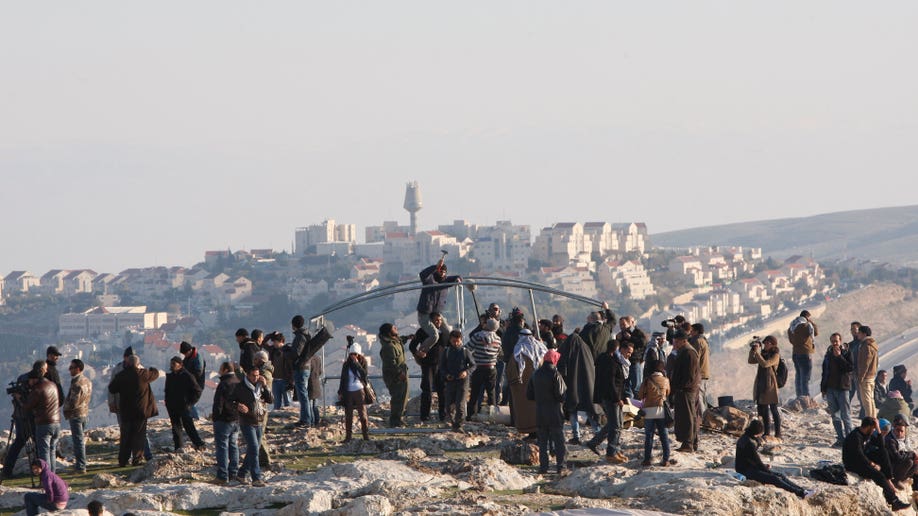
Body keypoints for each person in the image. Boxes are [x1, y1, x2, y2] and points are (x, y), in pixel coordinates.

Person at [843, 417, 909, 510]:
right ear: (868, 427)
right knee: (879, 475)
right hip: (853, 464)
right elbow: (859, 455)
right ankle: (894, 501)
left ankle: (889, 478)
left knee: (883, 453)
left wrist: (878, 430)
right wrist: (872, 464)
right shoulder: (855, 437)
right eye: (873, 428)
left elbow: (881, 445)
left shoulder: (866, 434)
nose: (873, 430)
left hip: (863, 458)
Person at [735, 420, 814, 499]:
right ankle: (801, 493)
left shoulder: (747, 437)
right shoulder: (749, 443)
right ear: (756, 432)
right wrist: (767, 470)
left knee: (781, 475)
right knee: (775, 478)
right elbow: (757, 461)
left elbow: (750, 459)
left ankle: (803, 490)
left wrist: (764, 467)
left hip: (750, 467)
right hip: (745, 471)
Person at [108, 354, 160, 467]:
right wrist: (151, 368)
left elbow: (112, 388)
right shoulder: (144, 374)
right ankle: (137, 459)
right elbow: (156, 374)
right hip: (141, 411)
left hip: (126, 411)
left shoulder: (121, 376)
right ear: (138, 364)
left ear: (127, 363)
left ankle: (123, 460)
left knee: (125, 436)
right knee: (139, 435)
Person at [588, 340, 632, 463]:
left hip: (610, 396)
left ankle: (606, 447)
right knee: (616, 425)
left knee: (616, 424)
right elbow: (611, 383)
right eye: (627, 352)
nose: (628, 355)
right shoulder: (610, 362)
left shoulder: (607, 360)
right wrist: (618, 399)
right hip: (611, 398)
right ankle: (611, 452)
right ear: (617, 349)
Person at [526, 349, 567, 474]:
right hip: (554, 412)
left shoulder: (535, 374)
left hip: (540, 412)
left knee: (543, 442)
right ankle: (561, 466)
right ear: (554, 360)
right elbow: (561, 395)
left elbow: (529, 395)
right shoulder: (555, 374)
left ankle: (543, 467)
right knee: (559, 442)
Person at [231, 365, 273, 487]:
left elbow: (270, 400)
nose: (256, 378)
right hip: (247, 422)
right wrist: (237, 406)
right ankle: (256, 478)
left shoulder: (261, 386)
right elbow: (229, 401)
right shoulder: (240, 387)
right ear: (248, 375)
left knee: (253, 450)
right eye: (253, 376)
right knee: (254, 448)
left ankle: (241, 474)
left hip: (259, 421)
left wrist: (265, 386)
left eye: (257, 375)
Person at [557, 330, 600, 445]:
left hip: (572, 385)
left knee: (573, 410)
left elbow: (561, 367)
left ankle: (577, 436)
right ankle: (598, 433)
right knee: (589, 409)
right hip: (587, 386)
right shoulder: (585, 350)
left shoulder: (567, 349)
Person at [290, 315, 332, 427]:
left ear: (294, 325)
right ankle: (310, 420)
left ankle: (306, 420)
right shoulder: (307, 334)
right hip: (306, 366)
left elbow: (296, 353)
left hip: (301, 367)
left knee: (302, 395)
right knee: (305, 395)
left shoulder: (300, 336)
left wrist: (287, 351)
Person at [3, 362, 43, 478]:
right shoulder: (33, 382)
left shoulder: (22, 378)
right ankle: (40, 469)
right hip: (27, 416)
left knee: (18, 443)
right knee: (36, 441)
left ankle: (7, 471)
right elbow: (27, 403)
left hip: (20, 416)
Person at [22, 361, 61, 473]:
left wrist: (20, 399)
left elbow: (27, 407)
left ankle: (46, 478)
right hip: (56, 422)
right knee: (52, 451)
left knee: (44, 452)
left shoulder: (38, 389)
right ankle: (53, 477)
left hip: (44, 423)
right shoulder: (52, 385)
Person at [416, 256, 461, 353]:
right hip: (425, 313)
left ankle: (443, 349)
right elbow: (422, 274)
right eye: (440, 271)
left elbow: (454, 278)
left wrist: (458, 279)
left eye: (444, 272)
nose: (442, 273)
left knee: (448, 332)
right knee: (434, 335)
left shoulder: (444, 281)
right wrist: (435, 267)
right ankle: (422, 351)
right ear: (436, 271)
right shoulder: (429, 280)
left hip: (436, 313)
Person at [409, 313, 447, 422]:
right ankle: (425, 416)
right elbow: (412, 346)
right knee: (427, 390)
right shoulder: (422, 331)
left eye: (440, 320)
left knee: (442, 391)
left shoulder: (444, 332)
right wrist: (418, 353)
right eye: (436, 320)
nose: (438, 322)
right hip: (427, 365)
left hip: (441, 366)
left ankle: (443, 416)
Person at [509, 328, 547, 439]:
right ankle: (538, 432)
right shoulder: (541, 349)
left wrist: (514, 381)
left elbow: (512, 370)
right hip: (539, 385)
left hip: (523, 388)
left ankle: (532, 433)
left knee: (527, 410)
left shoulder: (519, 350)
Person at [163, 356, 205, 452]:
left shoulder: (187, 376)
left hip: (184, 406)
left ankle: (199, 444)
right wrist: (167, 402)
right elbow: (167, 391)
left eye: (174, 364)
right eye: (171, 364)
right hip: (172, 406)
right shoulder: (170, 376)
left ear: (180, 365)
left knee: (189, 426)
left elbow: (197, 391)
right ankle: (178, 448)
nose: (172, 366)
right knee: (176, 428)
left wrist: (190, 403)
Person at [820, 332, 854, 447]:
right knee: (835, 415)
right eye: (833, 341)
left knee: (846, 415)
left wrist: (839, 357)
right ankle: (840, 438)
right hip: (830, 388)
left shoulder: (846, 353)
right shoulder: (828, 355)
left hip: (843, 388)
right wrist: (823, 388)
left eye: (836, 341)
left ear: (840, 341)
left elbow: (849, 368)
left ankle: (850, 439)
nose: (835, 343)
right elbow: (825, 372)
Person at [637, 359, 673, 467]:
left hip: (649, 411)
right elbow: (668, 393)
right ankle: (666, 459)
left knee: (649, 436)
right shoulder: (666, 380)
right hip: (661, 411)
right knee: (664, 436)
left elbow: (640, 395)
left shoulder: (648, 380)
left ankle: (647, 460)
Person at [670, 330, 701, 452]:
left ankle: (688, 443)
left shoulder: (689, 353)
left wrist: (682, 387)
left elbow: (690, 375)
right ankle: (691, 442)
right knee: (688, 415)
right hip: (684, 389)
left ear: (684, 341)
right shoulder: (683, 352)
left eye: (677, 341)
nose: (675, 344)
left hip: (687, 390)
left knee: (688, 416)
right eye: (674, 341)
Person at [211, 361, 241, 485]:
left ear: (224, 369)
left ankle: (222, 476)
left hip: (224, 420)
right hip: (237, 419)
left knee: (222, 447)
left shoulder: (224, 383)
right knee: (233, 446)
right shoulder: (238, 382)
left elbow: (219, 403)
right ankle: (233, 473)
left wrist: (215, 417)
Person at [466, 317, 501, 420]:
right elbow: (498, 353)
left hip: (479, 368)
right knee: (491, 393)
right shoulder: (498, 339)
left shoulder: (477, 336)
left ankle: (471, 415)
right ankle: (493, 416)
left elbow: (468, 348)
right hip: (491, 368)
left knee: (475, 393)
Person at [439, 329, 474, 431]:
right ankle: (451, 422)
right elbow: (442, 366)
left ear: (461, 340)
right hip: (451, 381)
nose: (456, 343)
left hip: (463, 381)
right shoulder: (447, 351)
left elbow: (473, 365)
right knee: (449, 404)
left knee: (460, 404)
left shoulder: (465, 351)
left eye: (458, 341)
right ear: (450, 340)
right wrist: (446, 375)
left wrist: (466, 372)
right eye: (454, 341)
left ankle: (459, 425)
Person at [749, 336, 782, 440]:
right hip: (761, 384)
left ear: (773, 344)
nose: (766, 345)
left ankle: (778, 433)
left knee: (773, 409)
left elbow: (765, 364)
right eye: (765, 343)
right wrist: (753, 350)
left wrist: (757, 353)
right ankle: (766, 432)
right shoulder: (763, 353)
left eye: (768, 343)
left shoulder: (775, 355)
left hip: (770, 385)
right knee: (763, 410)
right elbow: (750, 360)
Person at [63, 359, 92, 474]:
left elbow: (73, 402)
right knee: (80, 440)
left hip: (75, 414)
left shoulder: (76, 383)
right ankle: (81, 464)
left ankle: (80, 466)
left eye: (72, 367)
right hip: (85, 412)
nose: (69, 370)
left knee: (78, 441)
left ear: (78, 369)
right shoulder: (87, 381)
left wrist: (65, 408)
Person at [338, 342, 371, 442]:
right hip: (348, 391)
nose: (353, 356)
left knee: (363, 414)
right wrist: (340, 391)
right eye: (352, 354)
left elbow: (364, 374)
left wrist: (357, 364)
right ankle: (348, 437)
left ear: (359, 355)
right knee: (348, 415)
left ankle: (365, 435)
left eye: (355, 354)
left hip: (359, 390)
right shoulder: (346, 365)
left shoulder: (363, 362)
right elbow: (343, 378)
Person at [379, 322, 410, 427]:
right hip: (395, 376)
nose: (396, 328)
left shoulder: (395, 341)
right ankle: (395, 421)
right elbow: (390, 364)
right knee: (398, 397)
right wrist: (399, 373)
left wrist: (408, 337)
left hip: (401, 373)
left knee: (403, 397)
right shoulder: (388, 347)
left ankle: (399, 418)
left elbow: (401, 341)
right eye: (393, 328)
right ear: (389, 332)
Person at [787, 310, 818, 399]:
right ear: (807, 317)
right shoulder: (806, 326)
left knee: (799, 375)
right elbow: (815, 333)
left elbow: (791, 340)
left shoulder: (791, 326)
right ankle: (805, 397)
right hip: (805, 353)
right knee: (805, 377)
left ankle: (799, 396)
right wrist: (812, 322)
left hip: (795, 353)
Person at [885, 414, 918, 491]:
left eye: (901, 431)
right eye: (897, 430)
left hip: (899, 464)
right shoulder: (890, 440)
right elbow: (897, 458)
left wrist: (914, 455)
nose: (899, 433)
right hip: (890, 466)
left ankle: (901, 479)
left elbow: (908, 449)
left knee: (915, 463)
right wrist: (912, 455)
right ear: (894, 429)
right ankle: (895, 480)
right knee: (909, 462)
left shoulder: (904, 438)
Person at [253, 350, 276, 464]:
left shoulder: (265, 374)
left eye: (255, 360)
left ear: (260, 360)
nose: (253, 362)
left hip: (261, 406)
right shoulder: (265, 371)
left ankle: (264, 460)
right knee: (259, 434)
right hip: (261, 405)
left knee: (259, 434)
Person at [856, 325, 879, 418]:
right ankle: (873, 418)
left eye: (859, 333)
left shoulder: (866, 345)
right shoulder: (873, 344)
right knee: (871, 399)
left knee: (866, 401)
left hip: (866, 377)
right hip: (871, 376)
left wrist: (861, 377)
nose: (858, 335)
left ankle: (869, 419)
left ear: (864, 334)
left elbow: (865, 363)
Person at [179, 341, 206, 420]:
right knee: (187, 402)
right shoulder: (188, 357)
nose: (184, 355)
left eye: (185, 353)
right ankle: (192, 417)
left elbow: (198, 372)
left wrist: (188, 376)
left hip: (197, 385)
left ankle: (194, 418)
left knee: (190, 402)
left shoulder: (198, 357)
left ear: (189, 350)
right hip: (190, 384)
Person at [688, 323, 710, 408]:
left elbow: (695, 358)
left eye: (692, 331)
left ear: (696, 331)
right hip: (704, 373)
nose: (690, 333)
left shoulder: (697, 341)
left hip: (699, 374)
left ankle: (703, 418)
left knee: (699, 398)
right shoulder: (703, 340)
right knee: (702, 398)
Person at [268, 333, 292, 410]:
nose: (274, 343)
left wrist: (291, 381)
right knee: (276, 403)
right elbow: (262, 343)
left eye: (275, 341)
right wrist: (272, 334)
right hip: (275, 380)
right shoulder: (273, 350)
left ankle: (288, 418)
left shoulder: (288, 350)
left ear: (281, 341)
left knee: (287, 403)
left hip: (286, 381)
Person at [848, 321, 862, 403]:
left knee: (861, 396)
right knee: (848, 394)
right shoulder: (850, 345)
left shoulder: (863, 344)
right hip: (851, 374)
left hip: (860, 374)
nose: (853, 331)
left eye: (854, 329)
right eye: (851, 329)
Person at [307, 353, 323, 425]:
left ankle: (312, 421)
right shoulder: (318, 358)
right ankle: (317, 420)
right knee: (315, 405)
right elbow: (320, 371)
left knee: (310, 405)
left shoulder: (308, 359)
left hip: (310, 383)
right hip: (316, 383)